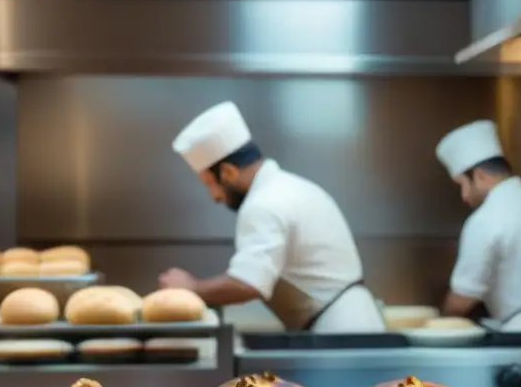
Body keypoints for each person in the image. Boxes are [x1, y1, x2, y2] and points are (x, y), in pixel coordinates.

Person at [161, 101, 385, 333]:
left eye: (210, 184)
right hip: (348, 324)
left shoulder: (263, 204)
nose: (215, 196)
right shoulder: (286, 188)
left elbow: (248, 284)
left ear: (228, 172)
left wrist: (192, 287)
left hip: (340, 332)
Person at [435, 120, 521, 330]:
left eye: (463, 185)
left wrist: (439, 323)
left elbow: (463, 297)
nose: (464, 196)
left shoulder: (485, 219)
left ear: (480, 175)